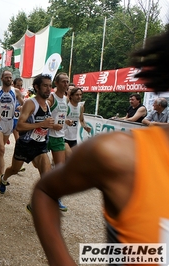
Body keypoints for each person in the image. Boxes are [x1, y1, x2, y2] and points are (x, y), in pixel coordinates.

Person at [31, 30, 169, 265]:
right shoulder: (120, 154)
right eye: (66, 83)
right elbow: (44, 191)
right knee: (54, 170)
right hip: (50, 138)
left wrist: (82, 126)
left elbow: (80, 119)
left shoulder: (80, 106)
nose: (72, 88)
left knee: (63, 163)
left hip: (69, 137)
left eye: (70, 84)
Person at [0, 74, 54, 195]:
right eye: (45, 86)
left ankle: (37, 203)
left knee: (46, 175)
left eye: (50, 86)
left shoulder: (47, 105)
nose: (48, 89)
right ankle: (4, 179)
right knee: (14, 169)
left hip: (40, 145)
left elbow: (46, 124)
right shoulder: (30, 103)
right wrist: (41, 124)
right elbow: (19, 126)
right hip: (25, 144)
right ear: (36, 87)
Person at [0, 70, 24, 182]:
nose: (9, 79)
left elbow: (24, 104)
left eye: (10, 77)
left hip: (9, 122)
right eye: (6, 77)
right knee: (2, 149)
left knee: (0, 146)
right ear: (2, 78)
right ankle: (2, 177)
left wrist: (22, 108)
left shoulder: (16, 91)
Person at [46, 72, 69, 211]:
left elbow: (60, 115)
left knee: (60, 169)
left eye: (67, 81)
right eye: (63, 82)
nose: (66, 84)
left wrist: (65, 121)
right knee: (44, 168)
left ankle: (56, 198)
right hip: (46, 135)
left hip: (59, 137)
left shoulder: (66, 99)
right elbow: (44, 111)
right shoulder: (51, 98)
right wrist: (52, 125)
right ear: (56, 83)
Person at [64, 87, 91, 157]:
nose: (79, 97)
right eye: (77, 95)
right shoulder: (67, 106)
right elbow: (59, 118)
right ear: (71, 96)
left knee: (73, 159)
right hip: (63, 137)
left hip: (73, 138)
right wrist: (66, 121)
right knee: (69, 158)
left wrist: (85, 126)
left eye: (80, 95)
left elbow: (81, 120)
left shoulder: (81, 107)